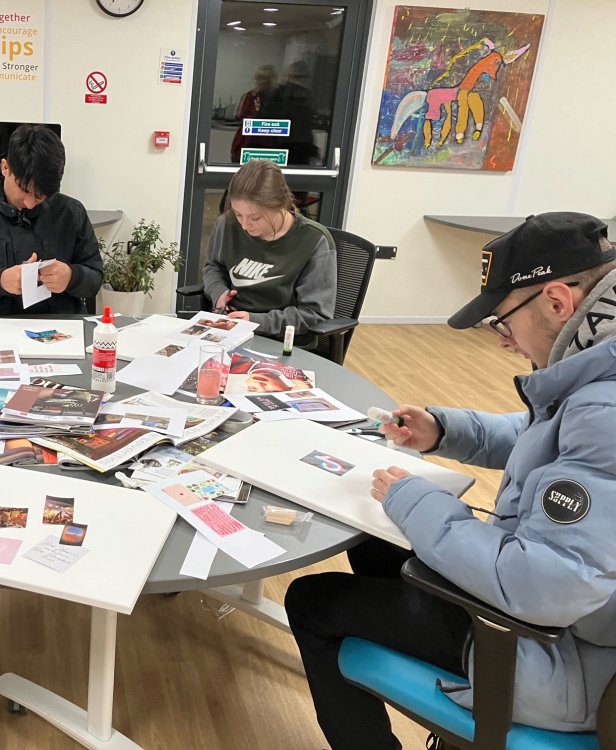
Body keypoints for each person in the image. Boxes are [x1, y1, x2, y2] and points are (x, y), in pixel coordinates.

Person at [284, 212, 616, 749]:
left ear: (558, 302)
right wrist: (444, 430)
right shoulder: (599, 375)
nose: (503, 341)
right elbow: (549, 439)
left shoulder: (606, 410)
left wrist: (416, 500)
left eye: (503, 321)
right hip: (571, 625)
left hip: (562, 660)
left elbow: (546, 585)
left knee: (311, 600)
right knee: (378, 540)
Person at [0, 124, 103, 316]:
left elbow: (95, 277)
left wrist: (72, 277)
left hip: (59, 323)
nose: (30, 203)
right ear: (5, 167)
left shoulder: (71, 212)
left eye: (41, 195)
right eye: (24, 190)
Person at [203, 160, 336, 345]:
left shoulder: (315, 241)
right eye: (238, 214)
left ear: (280, 205)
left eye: (255, 217)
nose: (245, 225)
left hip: (283, 342)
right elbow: (213, 266)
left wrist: (256, 321)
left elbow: (315, 315)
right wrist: (219, 292)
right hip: (230, 332)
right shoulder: (227, 223)